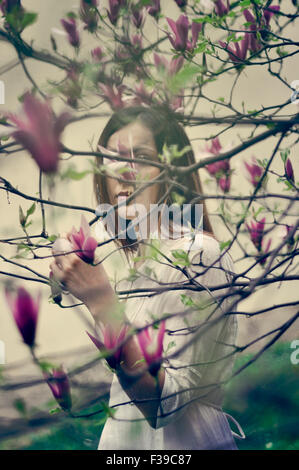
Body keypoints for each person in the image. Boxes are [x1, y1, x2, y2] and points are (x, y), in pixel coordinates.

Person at [50, 106, 245, 450]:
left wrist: (101, 301)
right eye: (113, 158)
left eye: (140, 156)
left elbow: (164, 406)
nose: (125, 171)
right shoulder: (134, 268)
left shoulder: (199, 254)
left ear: (170, 171)